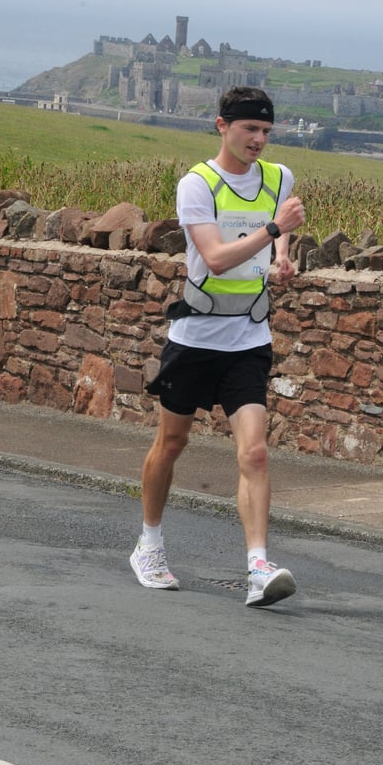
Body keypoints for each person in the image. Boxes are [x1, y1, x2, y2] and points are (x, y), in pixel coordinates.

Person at [130, 86, 305, 607]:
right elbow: (215, 259)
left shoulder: (279, 179)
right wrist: (275, 228)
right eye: (250, 129)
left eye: (267, 132)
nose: (259, 140)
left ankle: (257, 567)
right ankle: (150, 544)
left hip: (250, 335)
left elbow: (277, 245)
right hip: (196, 337)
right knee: (173, 444)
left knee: (254, 450)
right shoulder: (197, 184)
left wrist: (282, 258)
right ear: (221, 126)